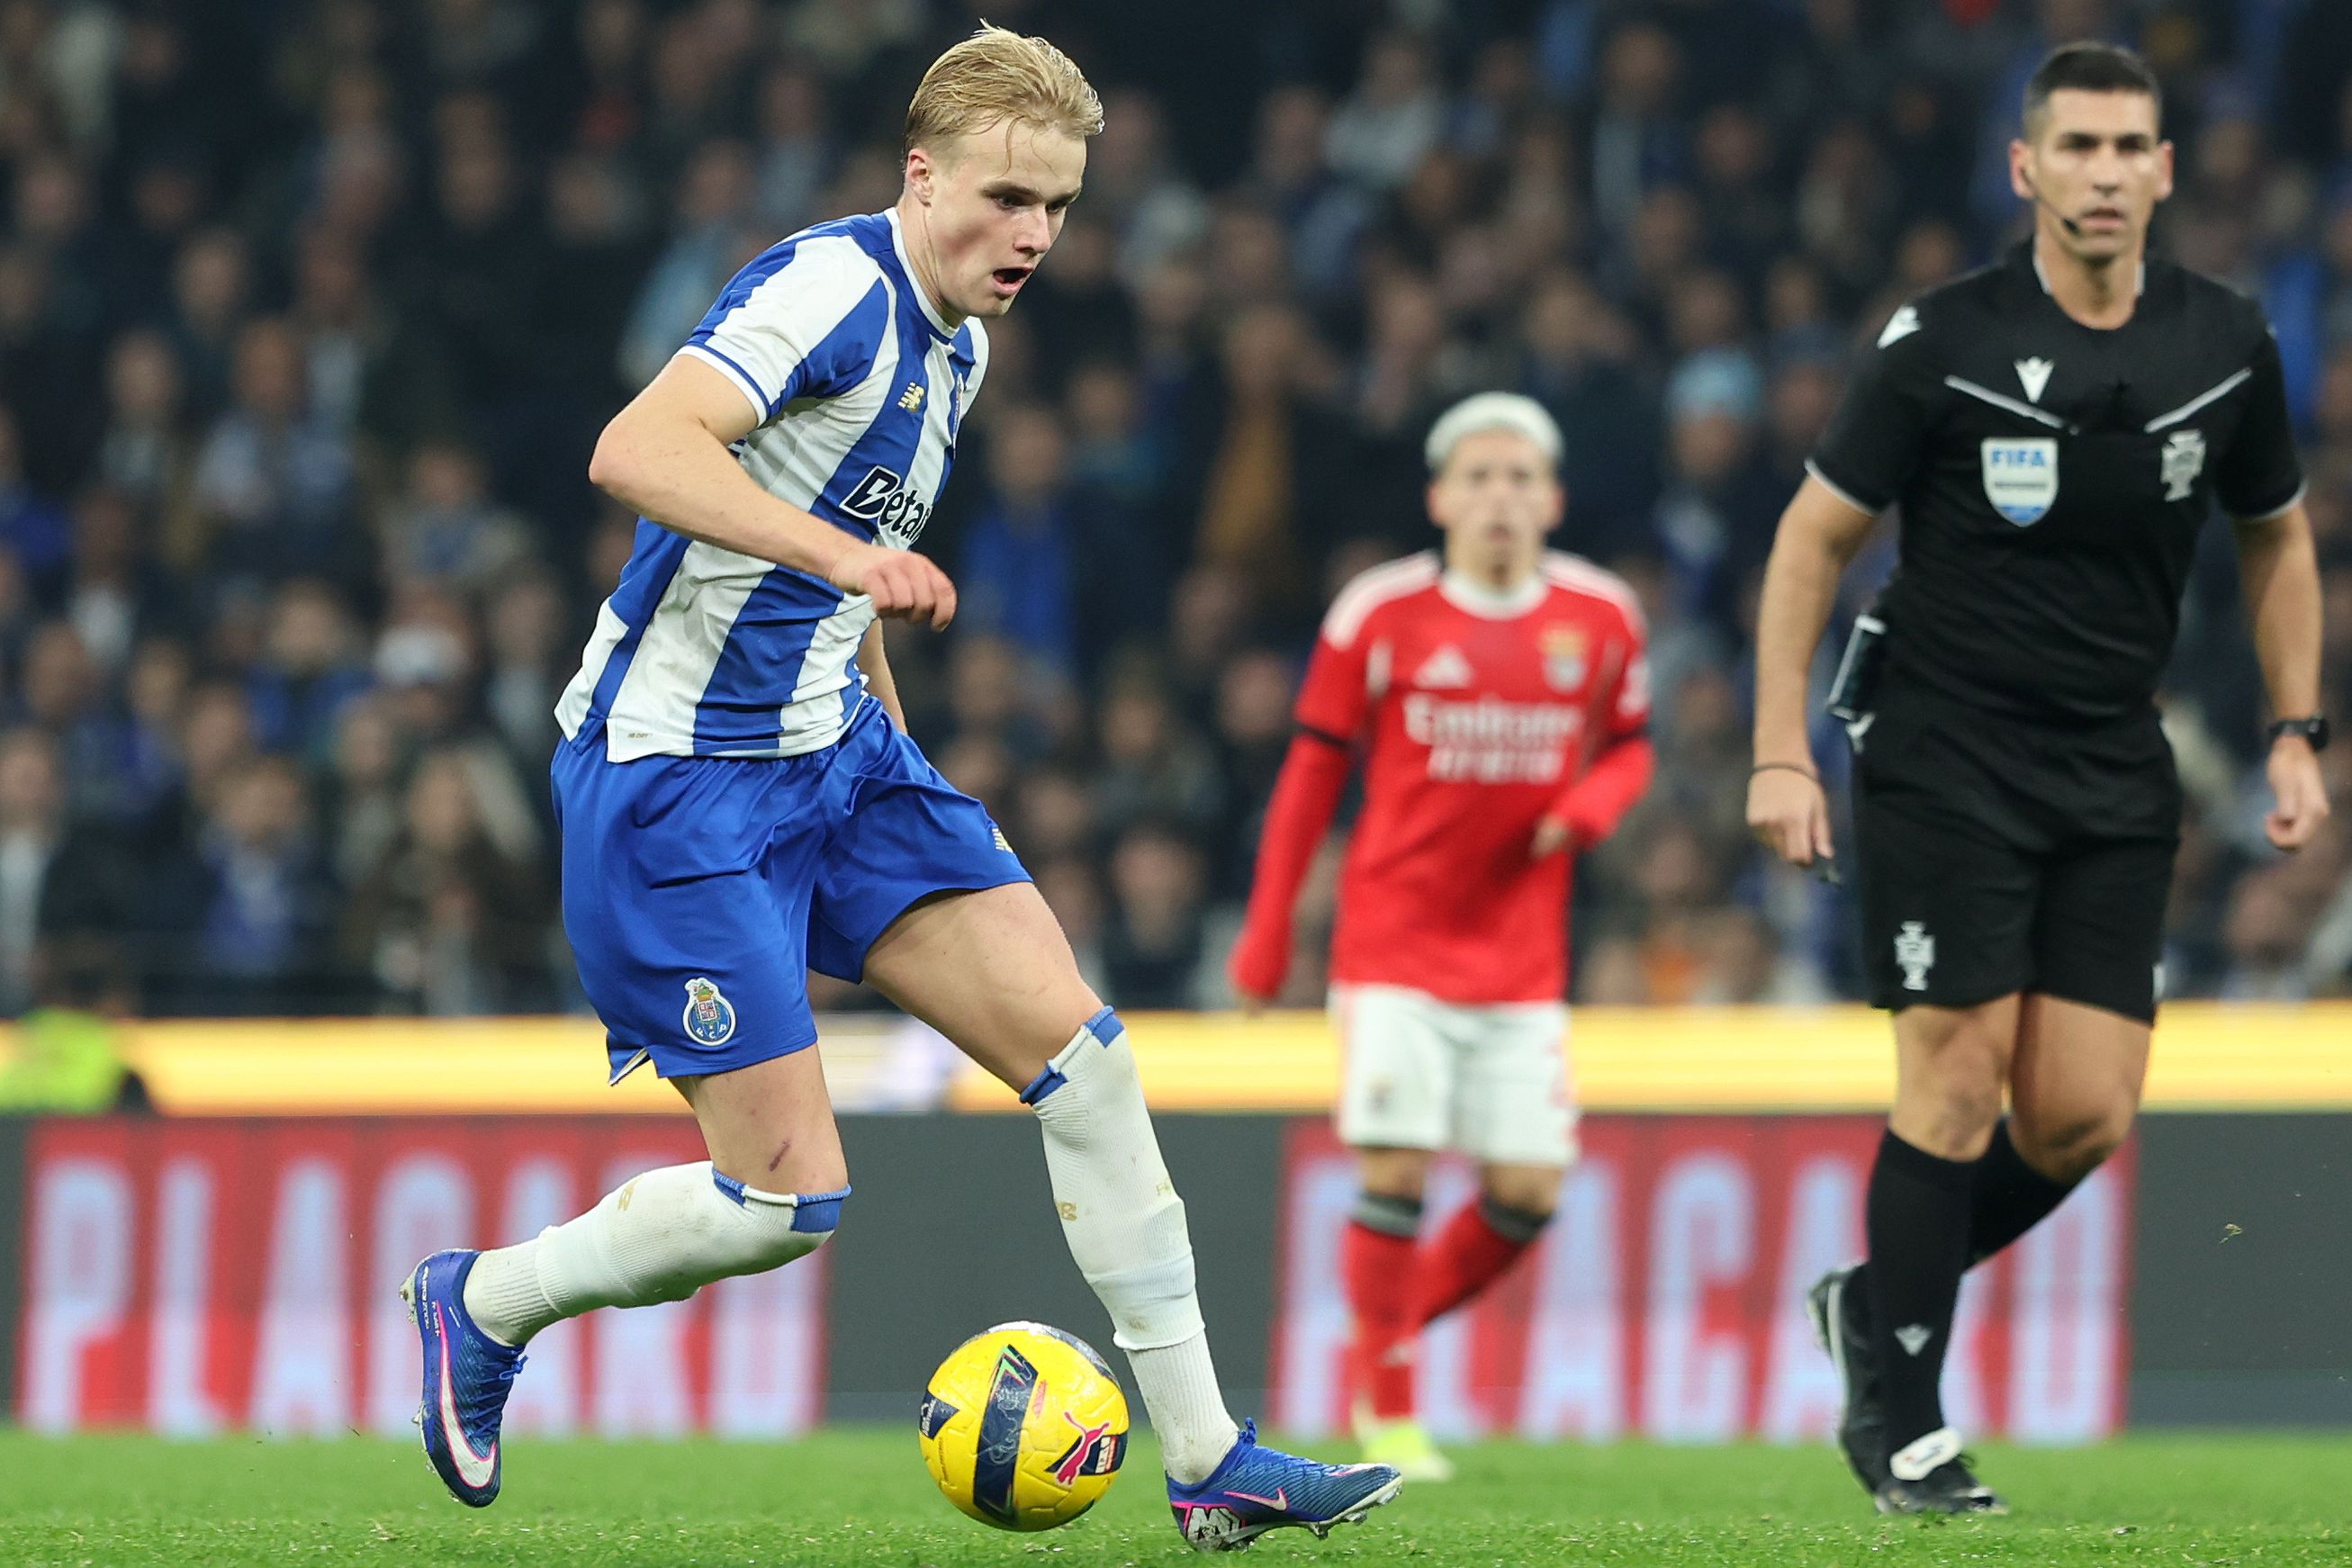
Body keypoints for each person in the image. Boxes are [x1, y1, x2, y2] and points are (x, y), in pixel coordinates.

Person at [400, 27, 1401, 1551]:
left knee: (1092, 1061)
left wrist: (884, 711)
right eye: (1005, 198)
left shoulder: (963, 340)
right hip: (679, 783)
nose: (1033, 237)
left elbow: (848, 545)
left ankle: (1207, 1461)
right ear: (917, 174)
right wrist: (842, 558)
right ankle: (481, 1299)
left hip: (842, 763)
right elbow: (636, 446)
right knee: (780, 1207)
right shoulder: (828, 289)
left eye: (1057, 207)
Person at [1746, 43, 2328, 1516]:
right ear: (2023, 169)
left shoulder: (2227, 341)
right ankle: (1908, 1425)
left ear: (2164, 171)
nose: (2102, 173)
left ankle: (1868, 1302)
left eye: (2128, 146)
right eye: (2072, 146)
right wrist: (1773, 750)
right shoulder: (1934, 339)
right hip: (1943, 748)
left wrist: (2292, 727)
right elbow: (1809, 541)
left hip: (2110, 761)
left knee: (2078, 1114)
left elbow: (2272, 535)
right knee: (1948, 1069)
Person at [1229, 392, 1654, 1479]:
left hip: (1521, 960)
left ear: (1552, 498)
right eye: (1479, 476)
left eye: (1520, 477)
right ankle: (1393, 1402)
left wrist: (1590, 809)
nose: (1500, 496)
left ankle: (1385, 1332)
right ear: (1440, 496)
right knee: (1399, 1168)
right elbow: (1311, 775)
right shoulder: (1378, 613)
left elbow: (1631, 749)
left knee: (1528, 1190)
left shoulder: (1603, 618)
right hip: (1394, 944)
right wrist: (1268, 932)